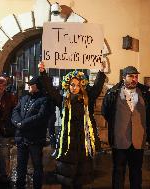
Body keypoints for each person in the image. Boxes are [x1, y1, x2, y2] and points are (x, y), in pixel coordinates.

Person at [38, 61, 106, 189]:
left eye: (78, 85)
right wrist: (43, 73)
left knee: (79, 180)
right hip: (67, 145)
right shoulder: (62, 100)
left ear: (82, 86)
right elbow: (50, 90)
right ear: (68, 85)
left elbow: (97, 87)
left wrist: (101, 72)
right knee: (66, 179)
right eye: (72, 85)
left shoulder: (87, 100)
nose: (74, 87)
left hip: (82, 144)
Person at [101, 66, 150, 189]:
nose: (134, 79)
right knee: (118, 171)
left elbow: (148, 114)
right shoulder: (113, 93)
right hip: (119, 140)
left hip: (138, 140)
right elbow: (106, 112)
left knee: (136, 172)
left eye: (136, 76)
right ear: (123, 77)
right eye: (131, 76)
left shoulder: (145, 93)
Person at [11, 76, 51, 189]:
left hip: (35, 139)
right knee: (21, 166)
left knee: (37, 166)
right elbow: (16, 110)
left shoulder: (45, 99)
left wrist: (23, 124)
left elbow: (40, 117)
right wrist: (17, 122)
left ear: (37, 86)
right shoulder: (24, 98)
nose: (29, 86)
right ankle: (20, 186)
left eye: (31, 84)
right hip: (22, 138)